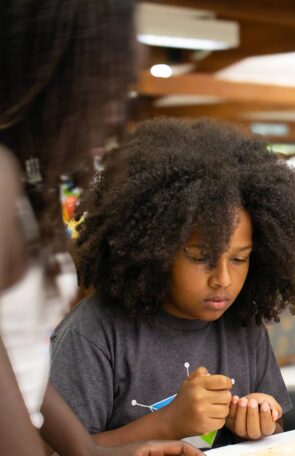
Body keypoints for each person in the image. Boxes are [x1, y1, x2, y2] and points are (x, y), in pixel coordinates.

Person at [49, 117, 295, 450]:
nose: (222, 279)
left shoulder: (242, 325)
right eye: (200, 257)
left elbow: (270, 435)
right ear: (154, 249)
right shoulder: (94, 334)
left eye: (239, 259)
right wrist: (167, 423)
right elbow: (58, 450)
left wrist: (259, 422)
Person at [0, 1, 202, 454]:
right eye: (102, 84)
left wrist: (93, 453)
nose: (114, 114)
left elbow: (17, 363)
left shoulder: (25, 178)